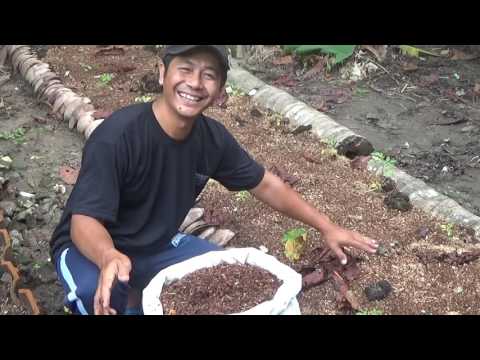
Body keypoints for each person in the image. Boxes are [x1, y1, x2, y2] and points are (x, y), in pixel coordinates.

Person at [50, 45, 378, 315]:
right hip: (90, 248)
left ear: (219, 90)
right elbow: (84, 221)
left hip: (156, 245)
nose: (195, 83)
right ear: (162, 73)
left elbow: (265, 184)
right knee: (99, 295)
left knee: (229, 275)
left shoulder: (212, 139)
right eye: (186, 69)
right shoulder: (118, 136)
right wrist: (107, 255)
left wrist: (326, 226)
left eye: (209, 75)